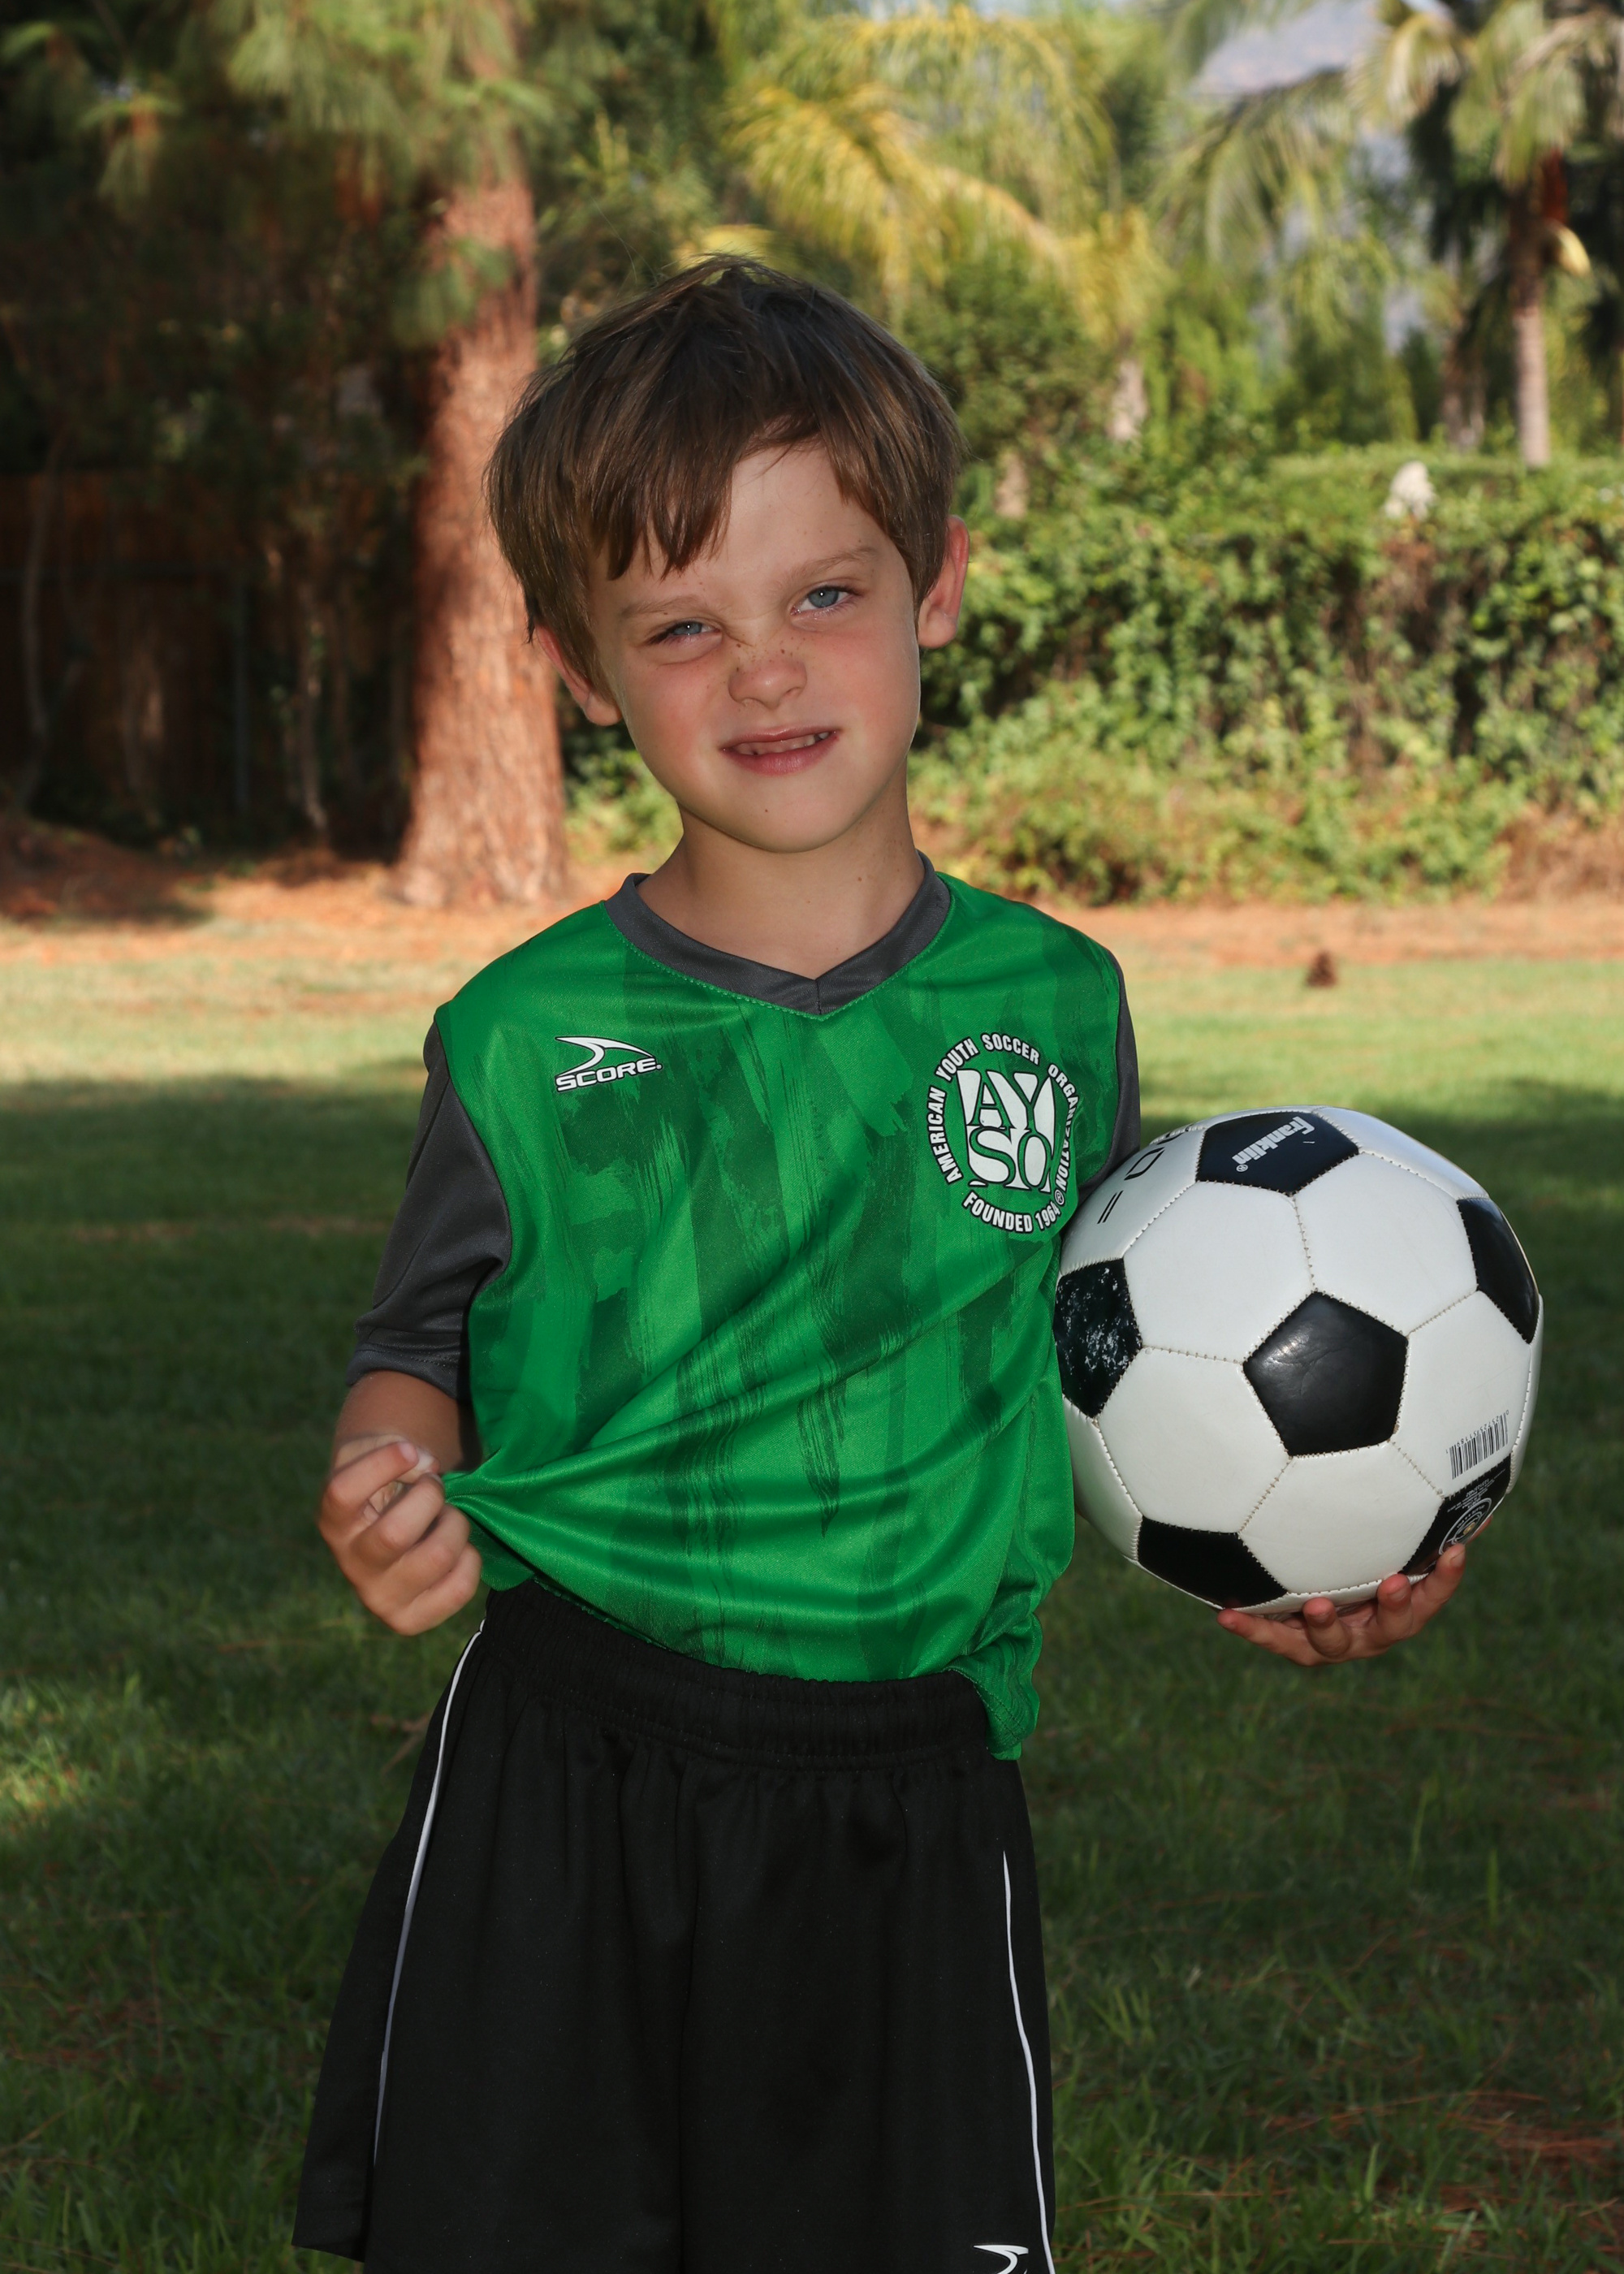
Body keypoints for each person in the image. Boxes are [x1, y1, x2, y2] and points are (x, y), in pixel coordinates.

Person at [292, 259, 1466, 2273]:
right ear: (580, 669)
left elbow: (1114, 1357)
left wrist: (1273, 1557)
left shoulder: (1055, 1003)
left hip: (911, 1789)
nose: (763, 673)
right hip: (565, 1768)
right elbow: (420, 1342)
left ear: (936, 585)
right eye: (682, 625)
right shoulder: (522, 1032)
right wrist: (381, 1471)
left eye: (823, 593)